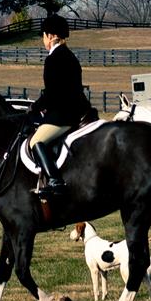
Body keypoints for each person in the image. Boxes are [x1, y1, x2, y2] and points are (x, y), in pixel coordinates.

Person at [28, 14, 94, 197]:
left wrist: (35, 107)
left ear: (49, 35)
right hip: (78, 111)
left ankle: (55, 180)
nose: (43, 41)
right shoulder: (71, 56)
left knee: (35, 141)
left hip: (63, 116)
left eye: (43, 36)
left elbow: (52, 93)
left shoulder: (53, 58)